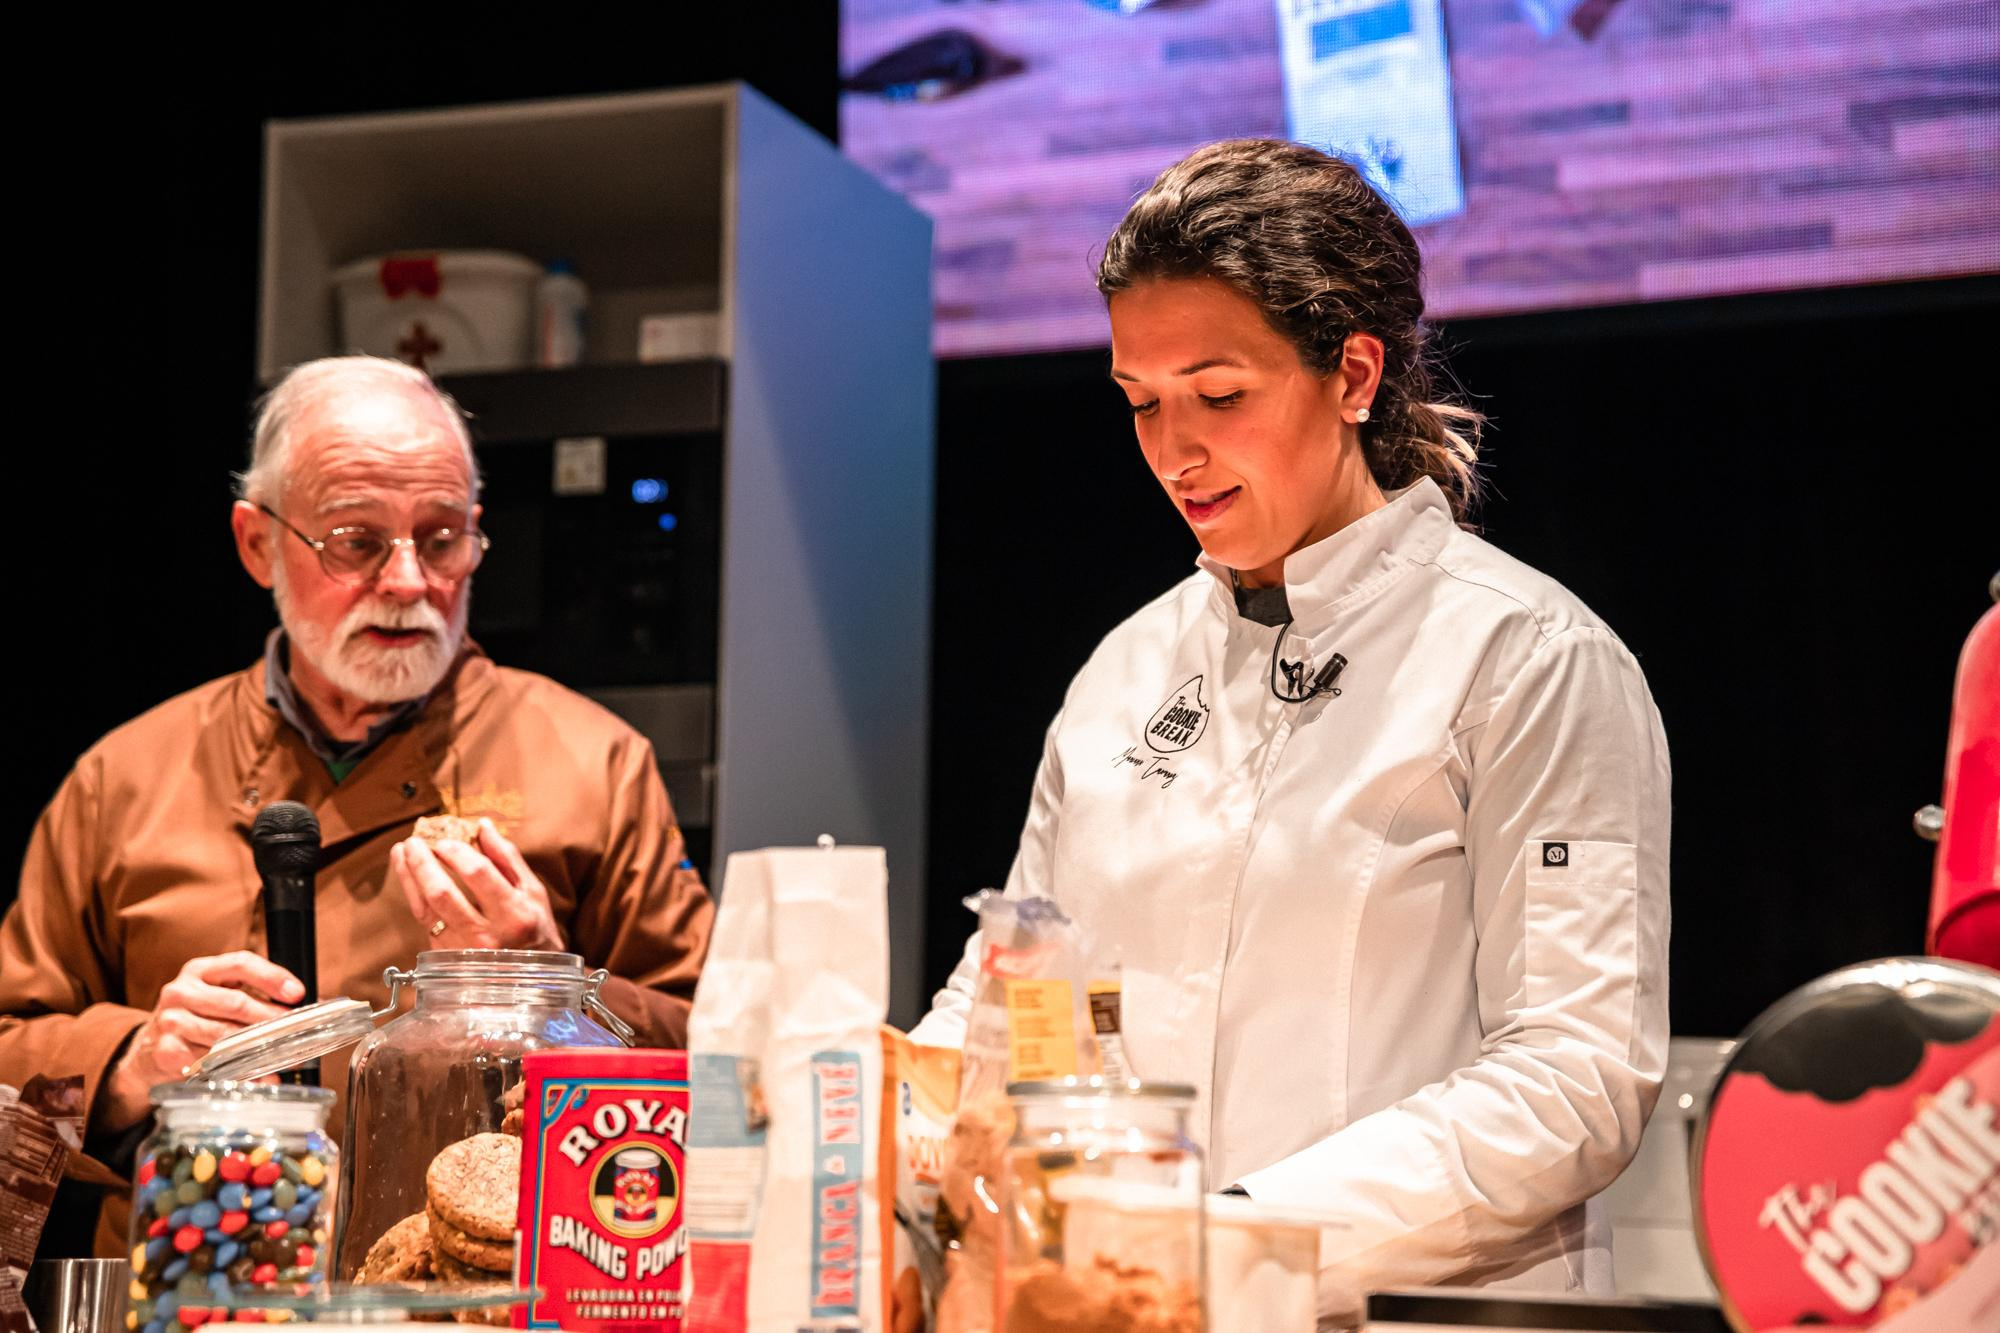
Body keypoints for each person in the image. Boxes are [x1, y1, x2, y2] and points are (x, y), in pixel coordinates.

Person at [911, 140, 1671, 1323]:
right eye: (1140, 403)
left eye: (1219, 396)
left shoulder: (1528, 660)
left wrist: (1232, 1243)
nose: (1173, 451)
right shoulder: (1122, 672)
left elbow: (1572, 1080)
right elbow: (1012, 993)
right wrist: (882, 1129)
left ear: (1353, 373)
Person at [0, 355, 713, 1252]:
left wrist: (553, 987)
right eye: (357, 540)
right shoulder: (124, 777)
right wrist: (132, 1060)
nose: (410, 581)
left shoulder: (595, 761)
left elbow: (724, 1060)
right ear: (257, 542)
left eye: (443, 537)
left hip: (480, 1296)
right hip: (203, 1296)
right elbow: (9, 1041)